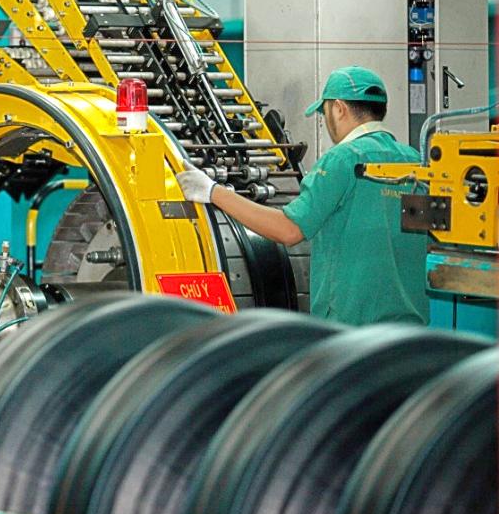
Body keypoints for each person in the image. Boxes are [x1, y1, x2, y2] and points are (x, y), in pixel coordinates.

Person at [176, 66, 429, 326]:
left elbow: (289, 230)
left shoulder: (342, 160)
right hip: (410, 329)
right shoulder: (415, 161)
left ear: (339, 108)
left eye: (325, 112)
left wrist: (213, 191)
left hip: (351, 328)